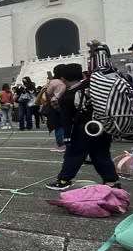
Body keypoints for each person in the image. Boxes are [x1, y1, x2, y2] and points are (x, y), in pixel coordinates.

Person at [46, 63, 120, 191]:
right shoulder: (92, 87)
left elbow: (66, 119)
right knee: (101, 154)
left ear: (63, 78)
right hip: (101, 126)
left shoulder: (68, 95)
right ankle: (111, 181)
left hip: (82, 129)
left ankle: (64, 180)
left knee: (73, 154)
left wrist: (67, 136)